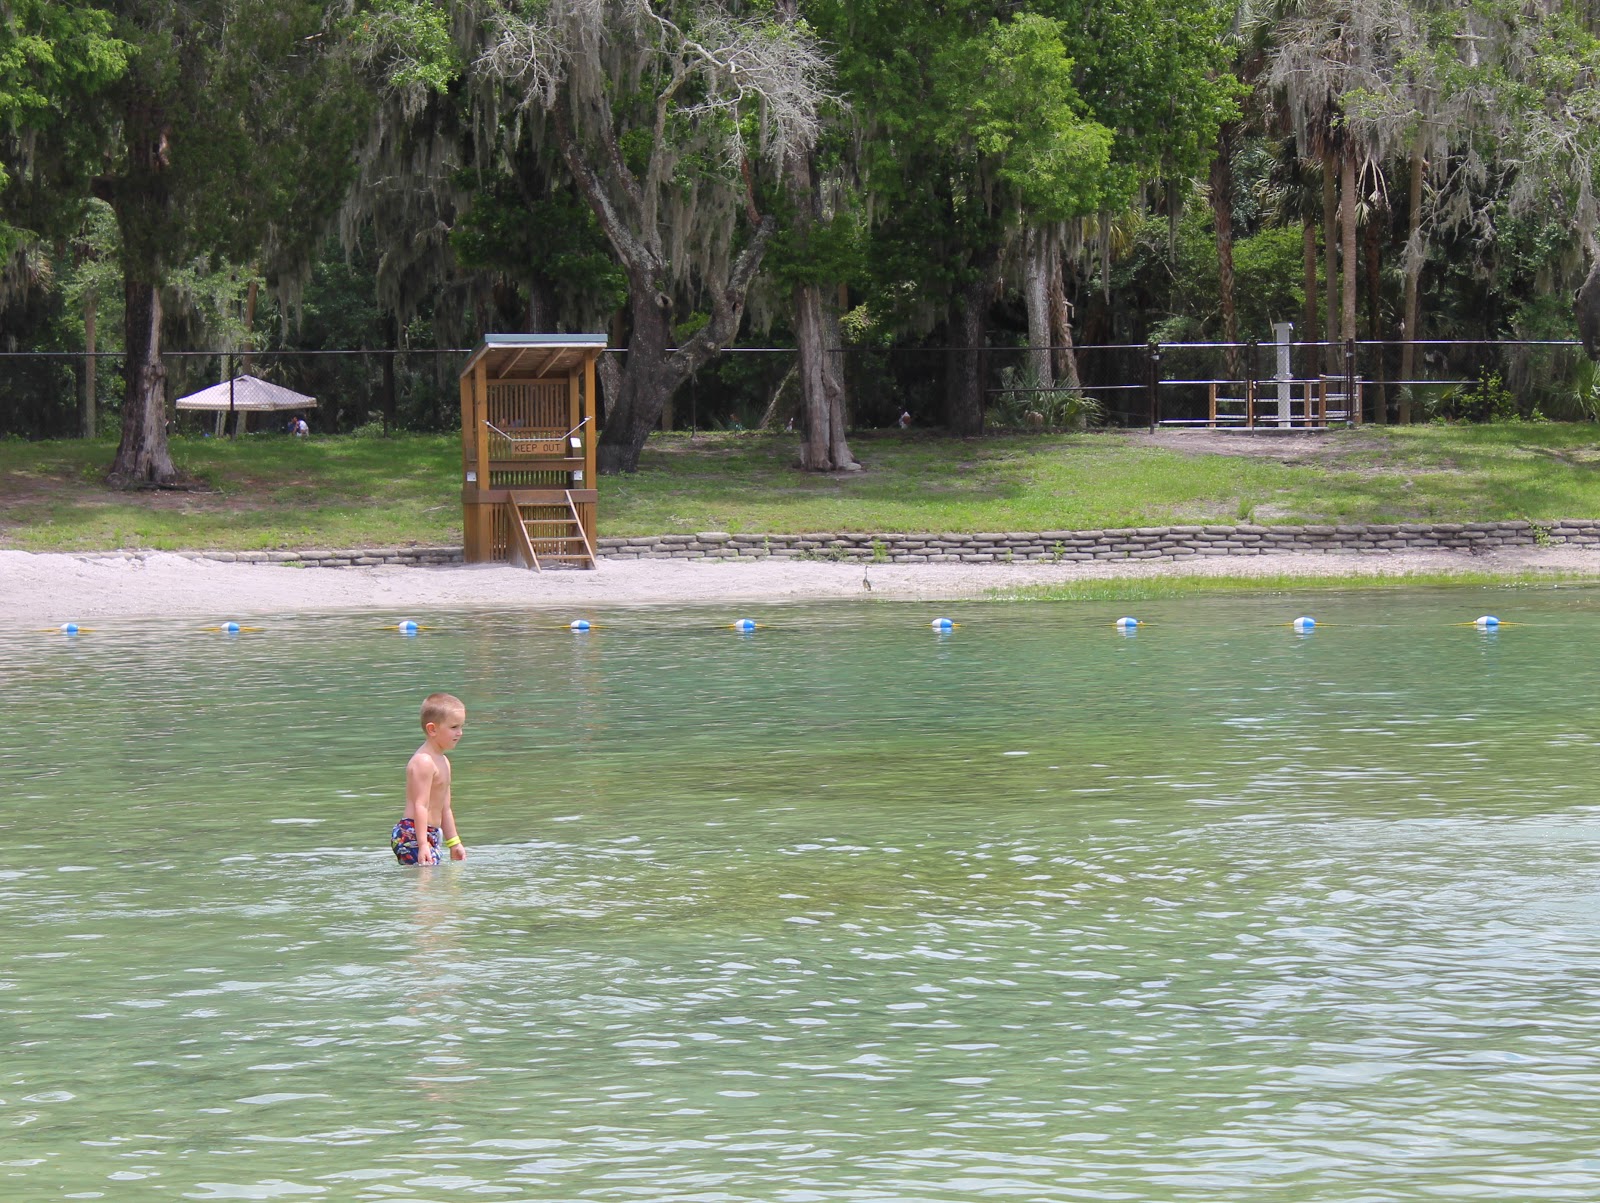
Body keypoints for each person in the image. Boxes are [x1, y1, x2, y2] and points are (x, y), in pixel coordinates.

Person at [391, 692, 468, 866]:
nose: (460, 733)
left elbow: (445, 808)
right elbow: (421, 805)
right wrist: (423, 844)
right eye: (454, 727)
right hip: (412, 832)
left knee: (431, 880)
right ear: (432, 729)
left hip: (431, 832)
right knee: (424, 879)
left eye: (461, 726)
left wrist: (454, 842)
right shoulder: (423, 761)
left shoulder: (444, 762)